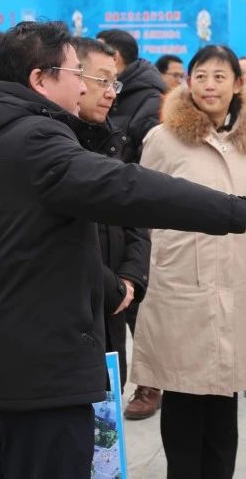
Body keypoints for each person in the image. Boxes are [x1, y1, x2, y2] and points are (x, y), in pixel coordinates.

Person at [0, 22, 246, 479]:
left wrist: (113, 285)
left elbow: (34, 246)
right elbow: (128, 187)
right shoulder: (34, 141)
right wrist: (237, 211)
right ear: (40, 79)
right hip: (36, 378)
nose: (85, 86)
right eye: (76, 74)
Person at [129, 45, 246, 478]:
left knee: (224, 398)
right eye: (200, 76)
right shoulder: (163, 139)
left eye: (219, 76)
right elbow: (141, 209)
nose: (209, 85)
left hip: (237, 278)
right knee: (183, 393)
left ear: (238, 84)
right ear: (187, 82)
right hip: (180, 282)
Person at [64, 38, 150, 387]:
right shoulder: (49, 147)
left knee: (108, 404)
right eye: (102, 81)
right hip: (70, 310)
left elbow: (136, 218)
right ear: (72, 77)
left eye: (115, 83)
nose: (111, 93)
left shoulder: (113, 141)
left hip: (114, 304)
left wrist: (130, 278)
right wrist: (111, 285)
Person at [96, 28, 167, 419]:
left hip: (132, 208)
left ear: (116, 59)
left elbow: (144, 163)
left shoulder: (149, 100)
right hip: (106, 207)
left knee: (140, 303)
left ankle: (150, 383)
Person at [96, 28, 167, 164]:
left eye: (97, 52)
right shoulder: (108, 89)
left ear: (115, 57)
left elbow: (149, 157)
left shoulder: (152, 99)